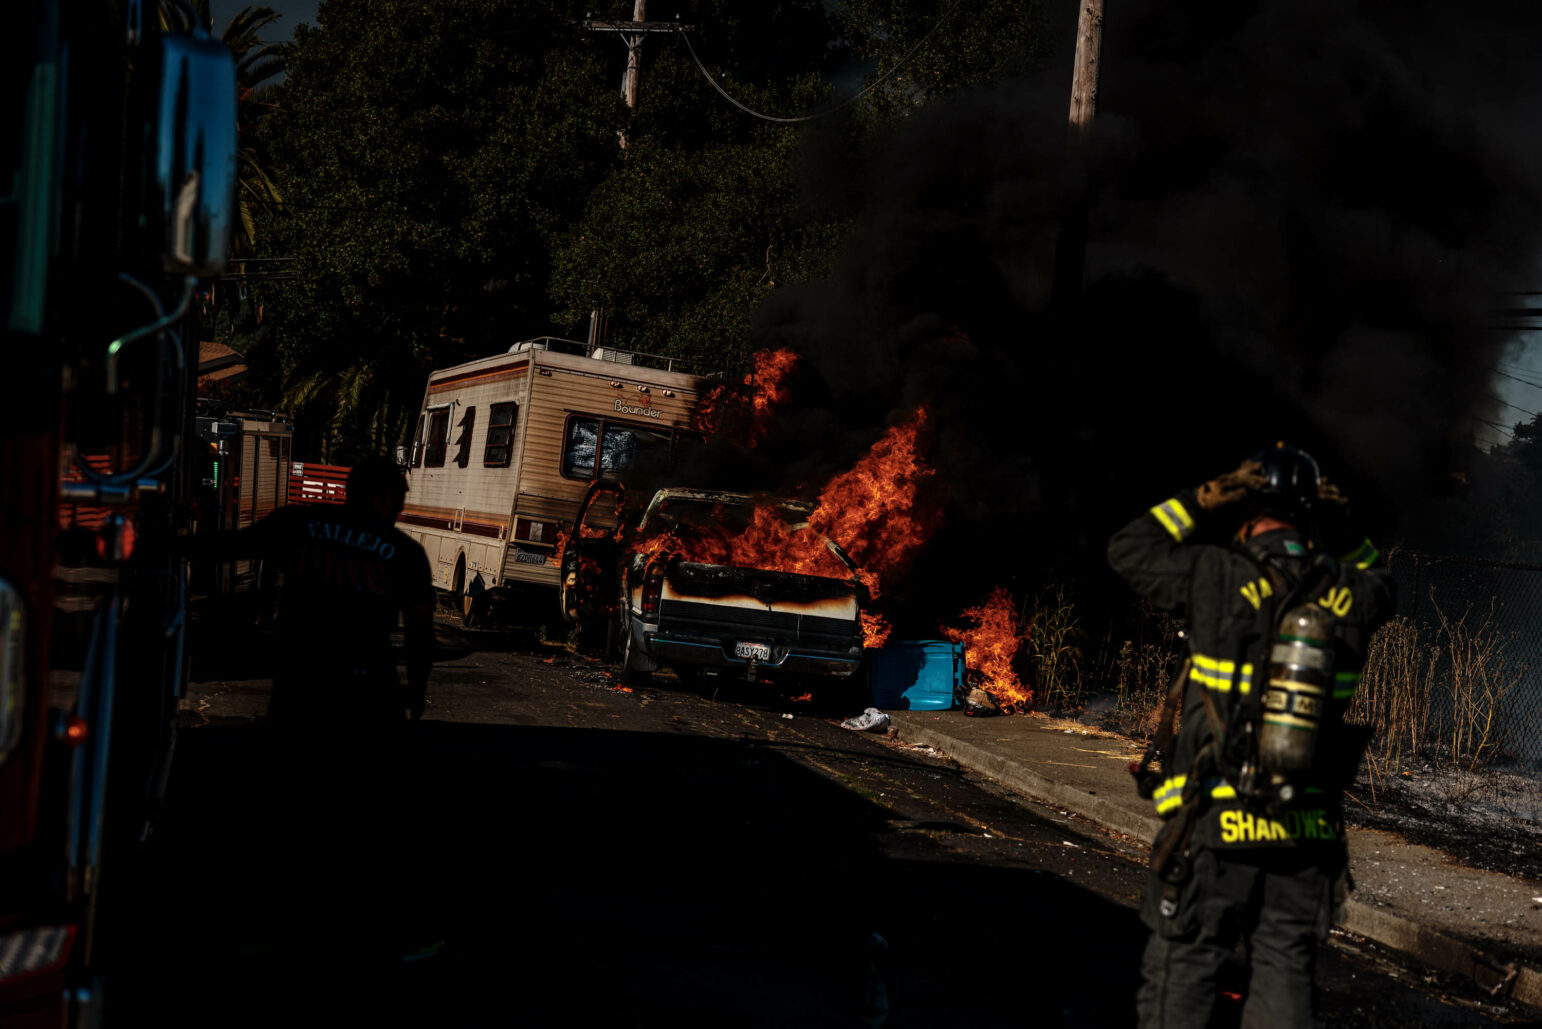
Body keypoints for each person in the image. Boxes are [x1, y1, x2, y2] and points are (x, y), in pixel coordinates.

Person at [1108, 443, 1395, 1028]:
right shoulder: (1352, 592)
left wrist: (1199, 498)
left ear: (1244, 515)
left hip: (1218, 821)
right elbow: (1384, 581)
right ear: (1313, 518)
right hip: (1308, 830)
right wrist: (1340, 526)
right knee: (1285, 972)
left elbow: (1129, 548)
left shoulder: (1217, 575)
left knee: (1183, 972)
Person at [188, 453, 435, 727]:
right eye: (400, 498)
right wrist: (416, 687)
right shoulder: (406, 553)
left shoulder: (299, 522)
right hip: (367, 686)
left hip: (301, 679)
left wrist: (164, 545)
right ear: (385, 497)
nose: (400, 508)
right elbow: (420, 630)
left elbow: (233, 545)